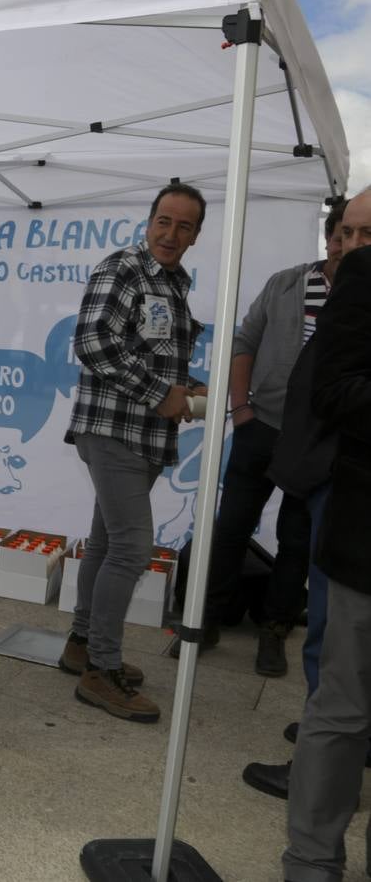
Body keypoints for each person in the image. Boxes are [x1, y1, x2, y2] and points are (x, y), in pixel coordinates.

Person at [170, 201, 347, 674]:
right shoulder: (285, 283)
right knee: (231, 527)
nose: (344, 247)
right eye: (339, 237)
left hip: (317, 441)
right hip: (260, 427)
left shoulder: (362, 295)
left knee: (297, 539)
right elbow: (245, 343)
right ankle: (206, 619)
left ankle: (275, 629)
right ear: (328, 237)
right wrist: (242, 408)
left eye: (356, 238)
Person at [61, 183, 208, 723]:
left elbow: (150, 353)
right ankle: (102, 671)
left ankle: (82, 645)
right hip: (113, 429)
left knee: (107, 543)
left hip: (143, 434)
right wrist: (161, 393)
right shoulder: (124, 268)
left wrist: (187, 388)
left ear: (196, 235)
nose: (171, 233)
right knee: (130, 548)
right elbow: (92, 342)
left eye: (184, 226)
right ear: (148, 222)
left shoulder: (173, 283)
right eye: (164, 221)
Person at [282, 196, 371, 882]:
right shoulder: (361, 280)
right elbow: (333, 392)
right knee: (343, 707)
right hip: (366, 542)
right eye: (351, 231)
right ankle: (312, 860)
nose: (354, 242)